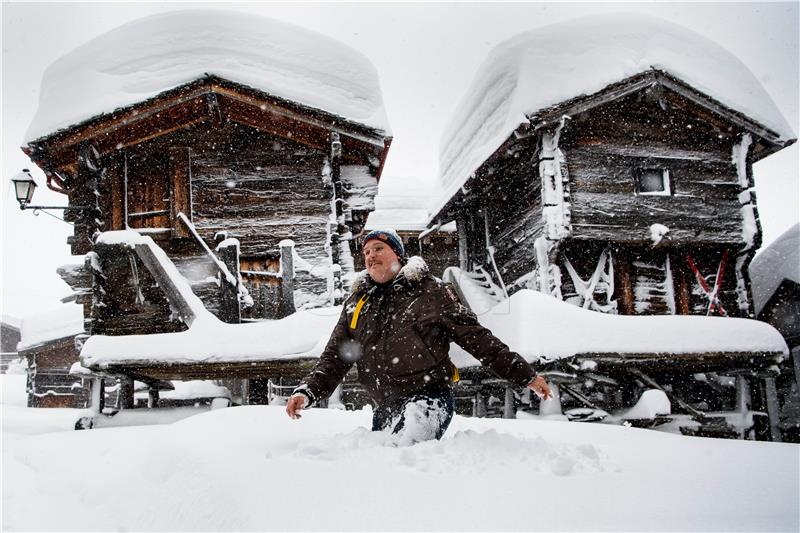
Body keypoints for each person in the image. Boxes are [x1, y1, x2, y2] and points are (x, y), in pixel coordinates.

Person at [286, 229, 551, 444]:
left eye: (379, 248)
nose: (370, 255)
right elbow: (335, 356)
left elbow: (477, 338)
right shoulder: (358, 303)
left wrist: (524, 374)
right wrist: (308, 392)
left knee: (407, 455)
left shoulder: (431, 292)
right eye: (366, 252)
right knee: (382, 465)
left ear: (398, 255)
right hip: (384, 407)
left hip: (428, 398)